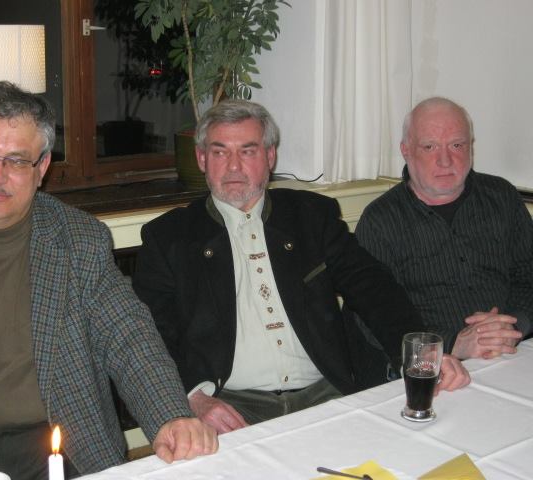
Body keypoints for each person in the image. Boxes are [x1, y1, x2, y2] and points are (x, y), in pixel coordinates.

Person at [0, 82, 217, 480]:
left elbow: (128, 337)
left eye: (16, 161)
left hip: (56, 443)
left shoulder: (79, 240)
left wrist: (171, 416)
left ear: (42, 167)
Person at [132, 99, 470, 435]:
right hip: (231, 405)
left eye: (248, 151)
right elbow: (152, 332)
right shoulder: (169, 238)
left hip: (325, 392)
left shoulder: (311, 217)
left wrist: (421, 356)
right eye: (220, 152)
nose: (234, 166)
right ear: (202, 159)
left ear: (270, 157)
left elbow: (372, 288)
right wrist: (194, 397)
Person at [356, 97, 532, 361]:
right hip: (434, 363)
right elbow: (374, 318)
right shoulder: (379, 221)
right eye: (430, 147)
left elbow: (528, 275)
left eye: (457, 145)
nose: (445, 160)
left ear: (471, 146)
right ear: (406, 150)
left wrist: (514, 325)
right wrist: (451, 344)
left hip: (514, 349)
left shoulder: (502, 197)